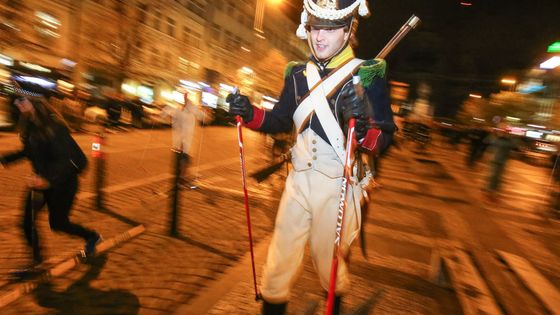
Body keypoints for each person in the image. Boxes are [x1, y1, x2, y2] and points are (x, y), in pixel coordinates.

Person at [226, 0, 396, 313]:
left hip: (337, 186)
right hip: (297, 181)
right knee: (278, 261)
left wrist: (360, 128)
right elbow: (278, 121)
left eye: (330, 29)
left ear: (347, 31)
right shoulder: (296, 74)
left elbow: (383, 138)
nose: (319, 36)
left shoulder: (367, 74)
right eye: (315, 27)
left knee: (326, 263)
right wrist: (248, 113)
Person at [0, 82, 102, 270]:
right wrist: (5, 158)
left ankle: (91, 237)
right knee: (26, 222)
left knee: (59, 224)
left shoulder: (54, 125)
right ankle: (37, 259)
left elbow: (70, 160)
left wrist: (47, 179)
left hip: (63, 183)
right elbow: (29, 151)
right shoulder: (29, 124)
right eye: (15, 100)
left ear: (34, 100)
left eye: (21, 99)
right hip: (41, 181)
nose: (16, 104)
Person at [162, 92, 209, 189]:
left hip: (180, 143)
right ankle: (181, 180)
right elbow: (204, 118)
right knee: (184, 161)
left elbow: (164, 115)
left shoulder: (180, 111)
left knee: (183, 161)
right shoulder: (187, 110)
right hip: (184, 143)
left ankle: (180, 179)